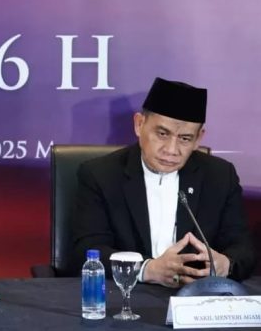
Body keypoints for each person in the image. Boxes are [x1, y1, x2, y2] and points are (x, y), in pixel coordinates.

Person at [72, 77, 256, 286]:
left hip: (194, 294)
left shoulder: (220, 176)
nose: (171, 150)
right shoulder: (100, 174)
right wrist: (147, 269)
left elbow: (243, 249)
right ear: (139, 124)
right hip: (128, 294)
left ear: (198, 139)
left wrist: (225, 264)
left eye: (185, 138)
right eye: (162, 134)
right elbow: (87, 250)